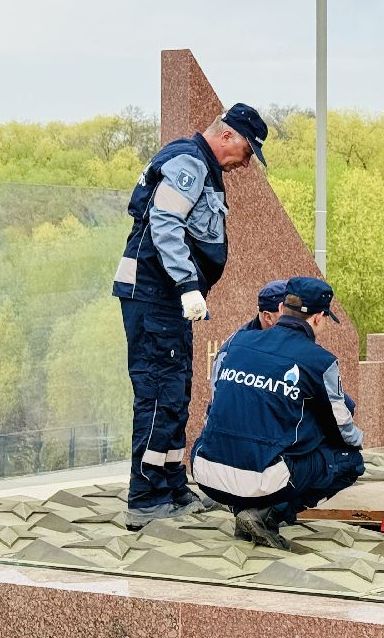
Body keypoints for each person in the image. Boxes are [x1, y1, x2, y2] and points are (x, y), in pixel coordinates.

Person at [112, 103, 268, 530]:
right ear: (228, 136)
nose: (245, 162)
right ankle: (145, 497)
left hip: (165, 301)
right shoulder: (188, 162)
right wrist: (187, 285)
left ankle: (172, 487)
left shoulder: (201, 165)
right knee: (159, 393)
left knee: (176, 392)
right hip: (154, 295)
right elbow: (164, 223)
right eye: (248, 150)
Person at [191, 277, 365, 550]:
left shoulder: (237, 342)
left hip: (204, 471)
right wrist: (354, 441)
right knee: (349, 462)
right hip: (259, 477)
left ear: (282, 308)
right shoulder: (319, 360)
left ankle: (244, 507)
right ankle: (265, 513)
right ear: (319, 318)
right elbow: (342, 427)